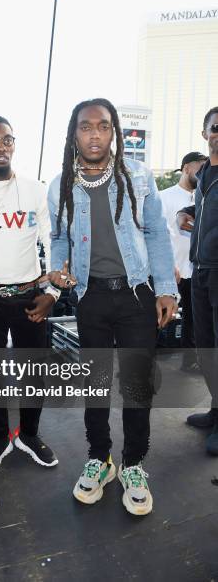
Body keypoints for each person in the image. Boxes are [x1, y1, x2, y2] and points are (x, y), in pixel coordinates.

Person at [48, 98, 178, 516]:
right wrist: (57, 269)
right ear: (74, 134)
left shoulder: (138, 177)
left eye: (103, 126)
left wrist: (165, 290)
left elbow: (157, 233)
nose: (95, 135)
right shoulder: (61, 185)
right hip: (90, 297)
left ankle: (134, 464)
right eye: (86, 127)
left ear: (114, 133)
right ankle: (100, 459)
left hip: (137, 295)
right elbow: (59, 239)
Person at [0, 115, 59, 473]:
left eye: (7, 140)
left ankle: (28, 435)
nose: (2, 146)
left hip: (29, 296)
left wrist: (52, 291)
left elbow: (53, 242)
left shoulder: (34, 190)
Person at [177, 107, 218, 455]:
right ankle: (215, 410)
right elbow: (203, 210)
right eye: (215, 127)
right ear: (204, 134)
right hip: (201, 270)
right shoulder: (204, 173)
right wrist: (184, 212)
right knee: (205, 346)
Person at [160, 152, 207, 371]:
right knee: (158, 315)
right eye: (200, 166)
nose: (203, 171)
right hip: (169, 269)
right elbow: (156, 234)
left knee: (194, 319)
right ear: (187, 168)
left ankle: (190, 363)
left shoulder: (205, 197)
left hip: (195, 270)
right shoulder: (164, 197)